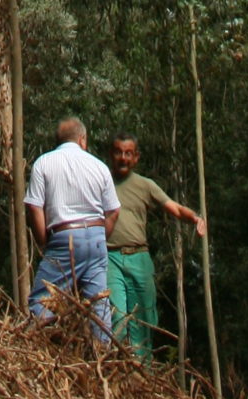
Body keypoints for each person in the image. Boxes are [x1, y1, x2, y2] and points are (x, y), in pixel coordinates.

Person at [107, 134, 206, 361]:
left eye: (128, 153)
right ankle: (117, 370)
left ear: (136, 157)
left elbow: (175, 208)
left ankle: (142, 372)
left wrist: (196, 219)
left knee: (143, 320)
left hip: (139, 257)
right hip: (110, 257)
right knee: (117, 317)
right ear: (111, 155)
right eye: (118, 152)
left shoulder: (145, 185)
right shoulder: (102, 181)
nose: (123, 157)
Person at [24, 116, 120, 339]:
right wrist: (100, 238)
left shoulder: (43, 163)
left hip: (63, 237)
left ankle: (38, 346)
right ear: (82, 139)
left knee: (42, 299)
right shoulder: (99, 166)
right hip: (96, 237)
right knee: (99, 302)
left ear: (57, 140)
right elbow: (114, 210)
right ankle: (103, 354)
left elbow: (34, 206)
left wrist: (44, 242)